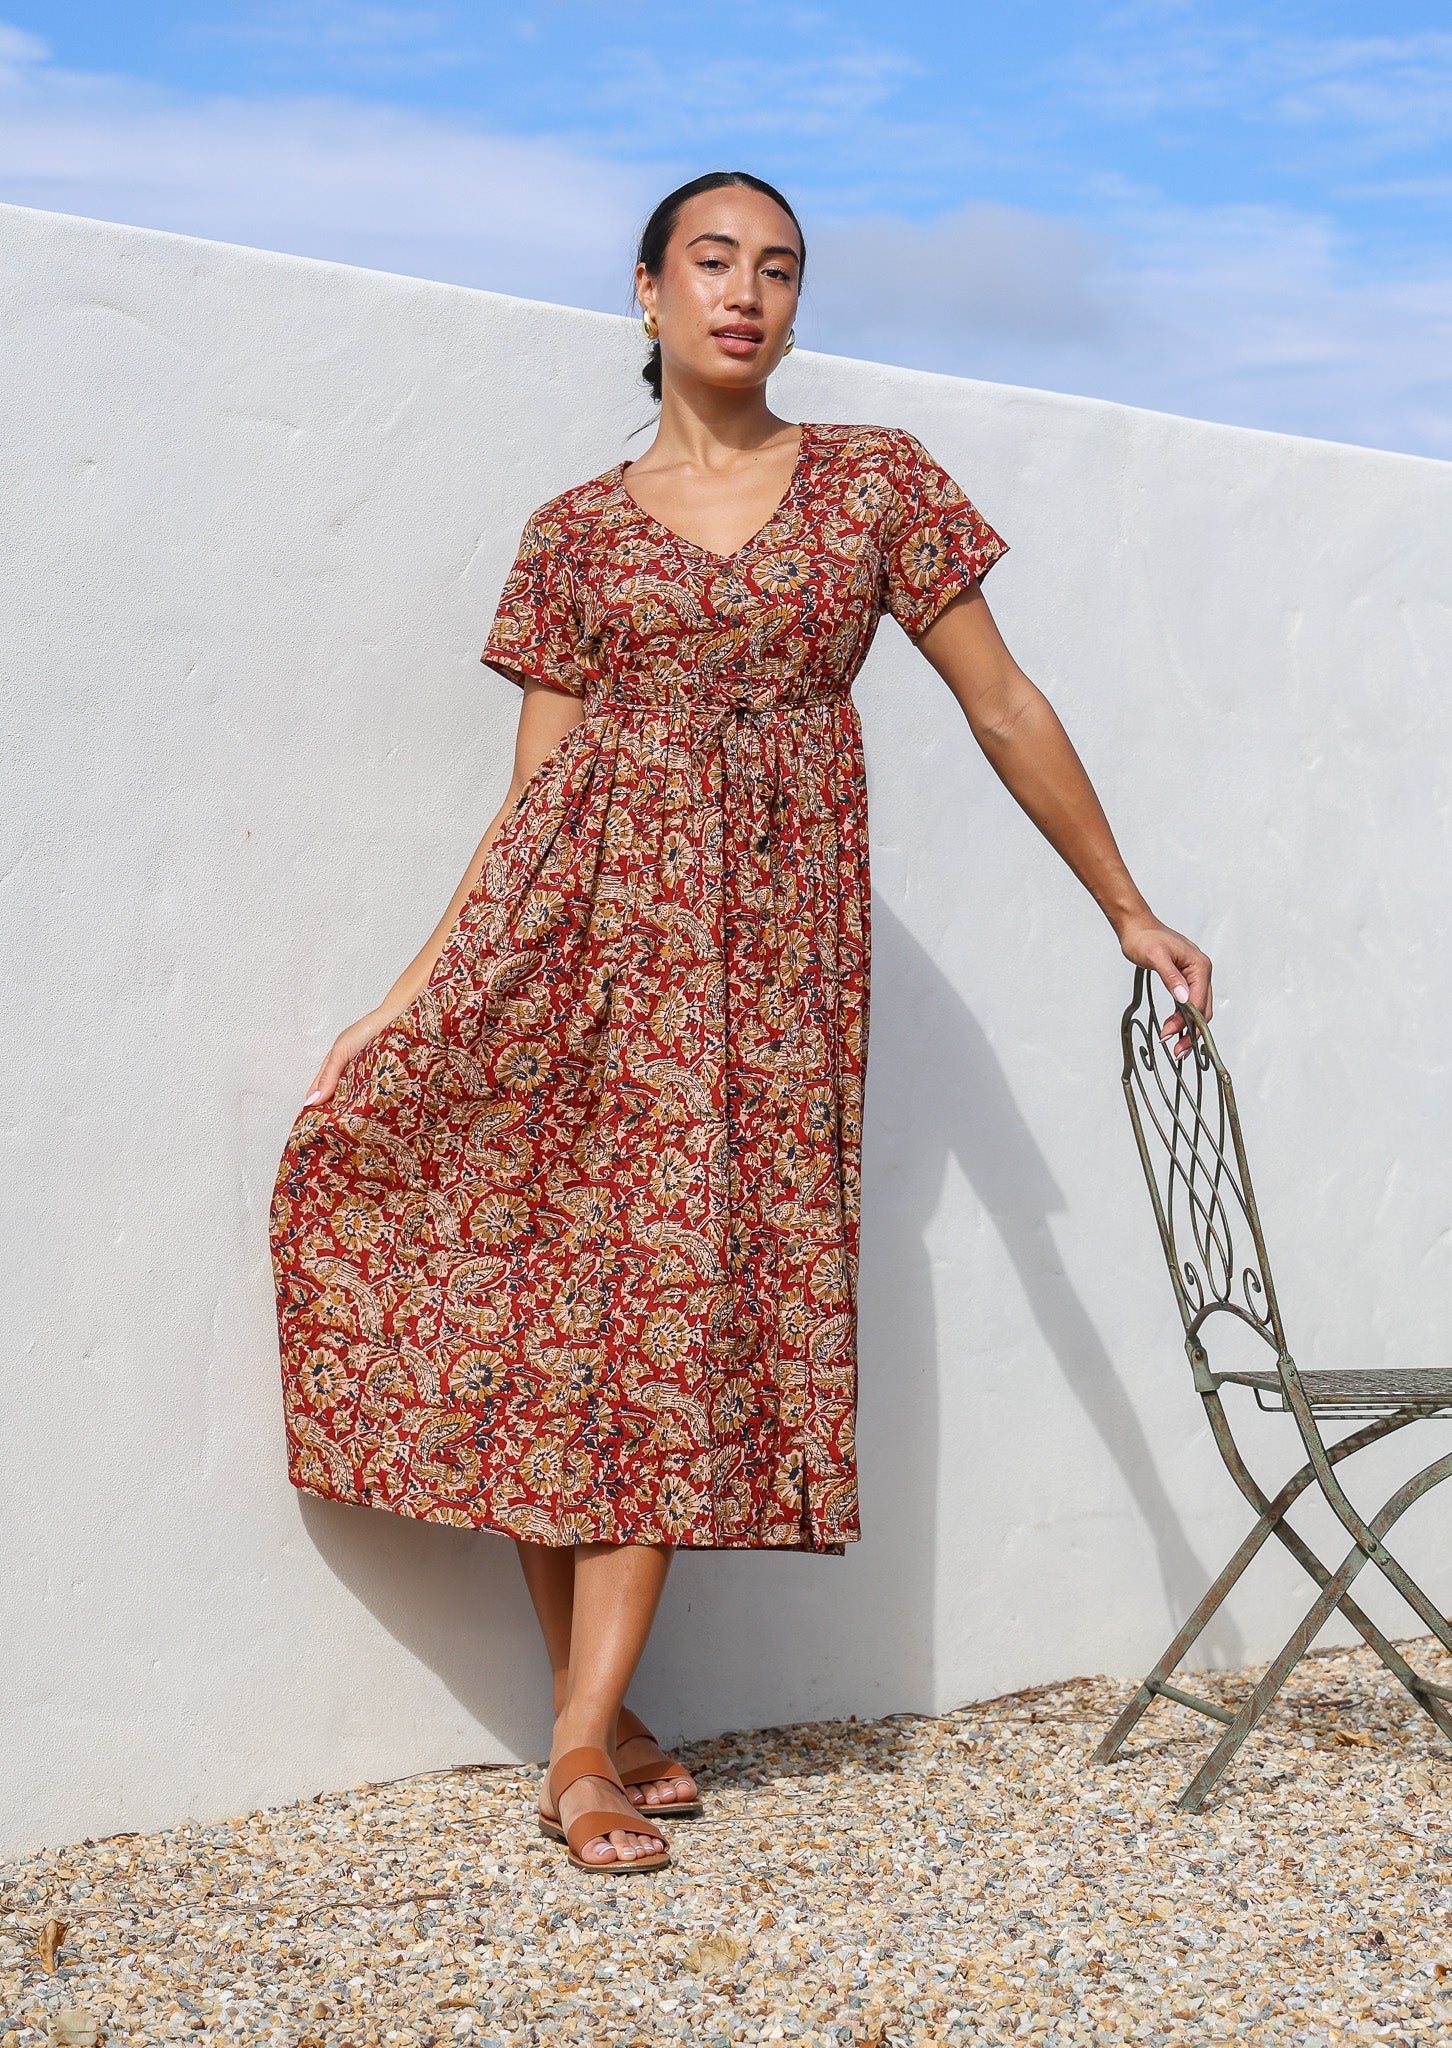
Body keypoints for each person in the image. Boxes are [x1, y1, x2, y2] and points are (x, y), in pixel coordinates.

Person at [268, 169, 1213, 1876]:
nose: (747, 295)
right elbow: (535, 794)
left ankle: (576, 1745)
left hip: (762, 979)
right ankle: (598, 1723)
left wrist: (1125, 903)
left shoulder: (874, 484)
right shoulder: (575, 528)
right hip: (571, 950)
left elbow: (1004, 705)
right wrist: (408, 1002)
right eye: (712, 264)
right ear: (645, 294)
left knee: (674, 1318)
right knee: (550, 1303)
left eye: (778, 270)